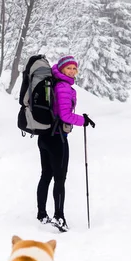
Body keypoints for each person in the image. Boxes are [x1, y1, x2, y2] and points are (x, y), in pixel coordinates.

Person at [36, 55, 95, 232]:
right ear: (61, 69)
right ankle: (59, 217)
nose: (71, 71)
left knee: (46, 175)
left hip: (44, 136)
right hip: (57, 138)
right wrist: (82, 121)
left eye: (73, 68)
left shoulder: (54, 83)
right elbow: (65, 115)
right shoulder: (63, 87)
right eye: (68, 68)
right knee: (59, 178)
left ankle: (41, 214)